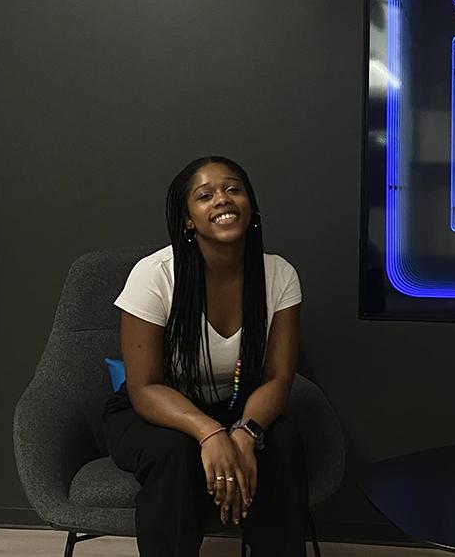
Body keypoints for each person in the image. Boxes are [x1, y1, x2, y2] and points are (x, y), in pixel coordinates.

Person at [101, 156, 309, 556]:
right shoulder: (155, 274)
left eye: (233, 189)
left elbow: (277, 379)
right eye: (205, 194)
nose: (222, 199)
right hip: (153, 410)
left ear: (251, 207)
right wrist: (209, 433)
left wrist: (246, 434)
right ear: (187, 220)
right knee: (175, 455)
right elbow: (144, 387)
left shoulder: (279, 275)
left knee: (283, 444)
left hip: (237, 406)